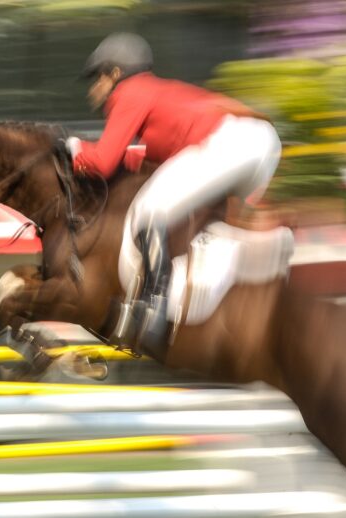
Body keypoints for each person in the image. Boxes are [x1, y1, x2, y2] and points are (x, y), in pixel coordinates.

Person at [65, 32, 282, 360]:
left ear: (114, 74)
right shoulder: (158, 93)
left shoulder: (129, 91)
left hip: (234, 144)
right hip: (259, 145)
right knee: (198, 223)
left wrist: (72, 148)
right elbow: (146, 161)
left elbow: (104, 162)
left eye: (97, 78)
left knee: (148, 211)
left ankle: (153, 308)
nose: (94, 89)